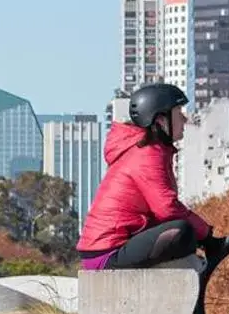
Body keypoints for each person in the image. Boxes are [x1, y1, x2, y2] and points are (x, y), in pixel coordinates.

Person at [76, 82, 216, 270]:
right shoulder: (147, 154)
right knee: (183, 232)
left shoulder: (150, 150)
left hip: (111, 246)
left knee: (184, 239)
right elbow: (167, 208)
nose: (185, 119)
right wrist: (206, 234)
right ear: (161, 120)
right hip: (107, 252)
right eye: (179, 113)